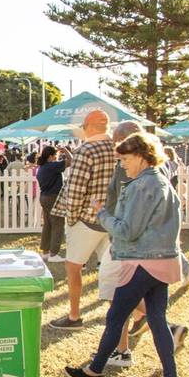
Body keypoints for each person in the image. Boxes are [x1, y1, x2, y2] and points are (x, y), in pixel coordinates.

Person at [65, 132, 185, 377]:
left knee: (116, 317)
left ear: (141, 156)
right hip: (163, 260)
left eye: (125, 159)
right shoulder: (163, 180)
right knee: (157, 320)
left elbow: (127, 231)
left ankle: (93, 372)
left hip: (142, 261)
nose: (122, 164)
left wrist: (102, 213)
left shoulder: (141, 186)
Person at [49, 109, 116, 331]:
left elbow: (76, 188)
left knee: (73, 267)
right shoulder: (117, 148)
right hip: (113, 218)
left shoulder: (86, 150)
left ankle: (75, 315)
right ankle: (121, 317)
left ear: (87, 127)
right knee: (112, 271)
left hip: (87, 217)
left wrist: (72, 217)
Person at [36, 145, 73, 262]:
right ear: (51, 156)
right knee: (58, 224)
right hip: (53, 197)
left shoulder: (42, 168)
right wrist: (65, 150)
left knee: (47, 225)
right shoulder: (52, 166)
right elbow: (71, 161)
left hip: (44, 197)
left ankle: (46, 251)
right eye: (56, 156)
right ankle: (54, 253)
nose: (57, 158)